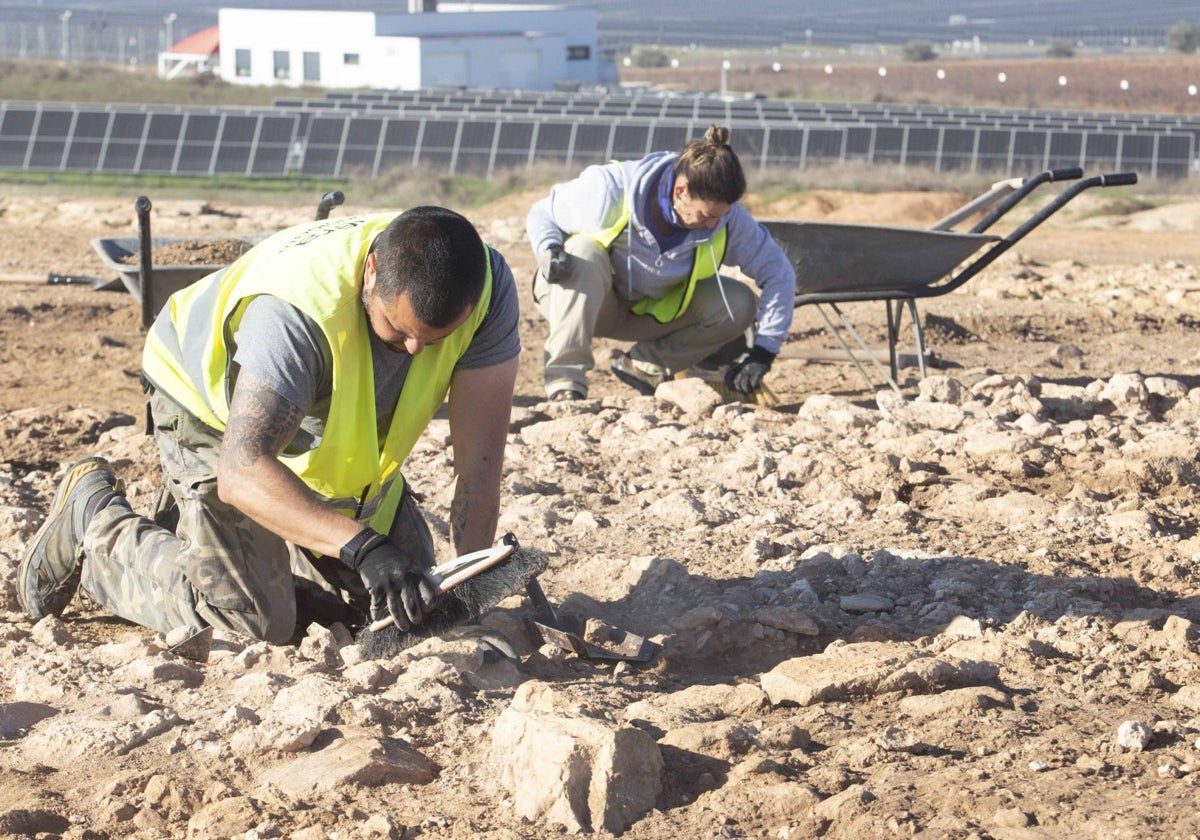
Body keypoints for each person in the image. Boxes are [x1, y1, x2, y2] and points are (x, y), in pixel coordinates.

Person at [17, 206, 521, 645]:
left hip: (317, 436)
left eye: (434, 339)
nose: (415, 350)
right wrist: (363, 547)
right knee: (250, 620)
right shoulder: (295, 316)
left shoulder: (488, 291)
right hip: (208, 408)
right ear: (371, 273)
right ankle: (96, 522)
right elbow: (242, 469)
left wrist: (469, 583)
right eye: (399, 330)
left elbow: (478, 468)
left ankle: (254, 553)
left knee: (408, 603)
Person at [525, 123, 796, 401]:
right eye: (705, 215)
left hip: (646, 313)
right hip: (582, 301)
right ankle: (565, 385)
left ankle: (644, 367)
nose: (712, 224)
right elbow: (541, 213)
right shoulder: (610, 189)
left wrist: (765, 350)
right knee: (582, 250)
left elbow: (778, 272)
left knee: (739, 302)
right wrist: (549, 249)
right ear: (681, 191)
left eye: (720, 216)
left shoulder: (726, 219)